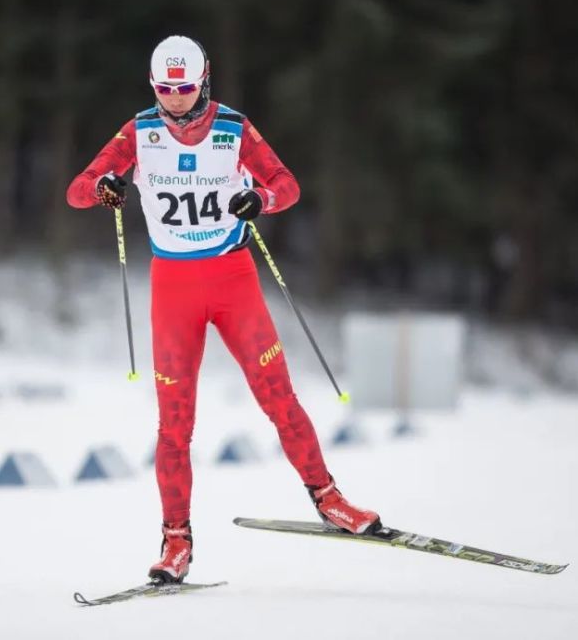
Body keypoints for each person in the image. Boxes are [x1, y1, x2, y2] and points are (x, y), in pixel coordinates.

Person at [67, 35, 381, 583]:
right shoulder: (138, 131)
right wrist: (106, 186)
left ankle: (330, 500)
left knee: (279, 396)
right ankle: (176, 542)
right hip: (173, 287)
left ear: (204, 78)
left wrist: (261, 199)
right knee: (174, 424)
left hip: (232, 279)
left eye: (185, 87)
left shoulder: (234, 127)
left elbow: (287, 184)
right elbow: (77, 190)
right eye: (165, 88)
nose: (176, 99)